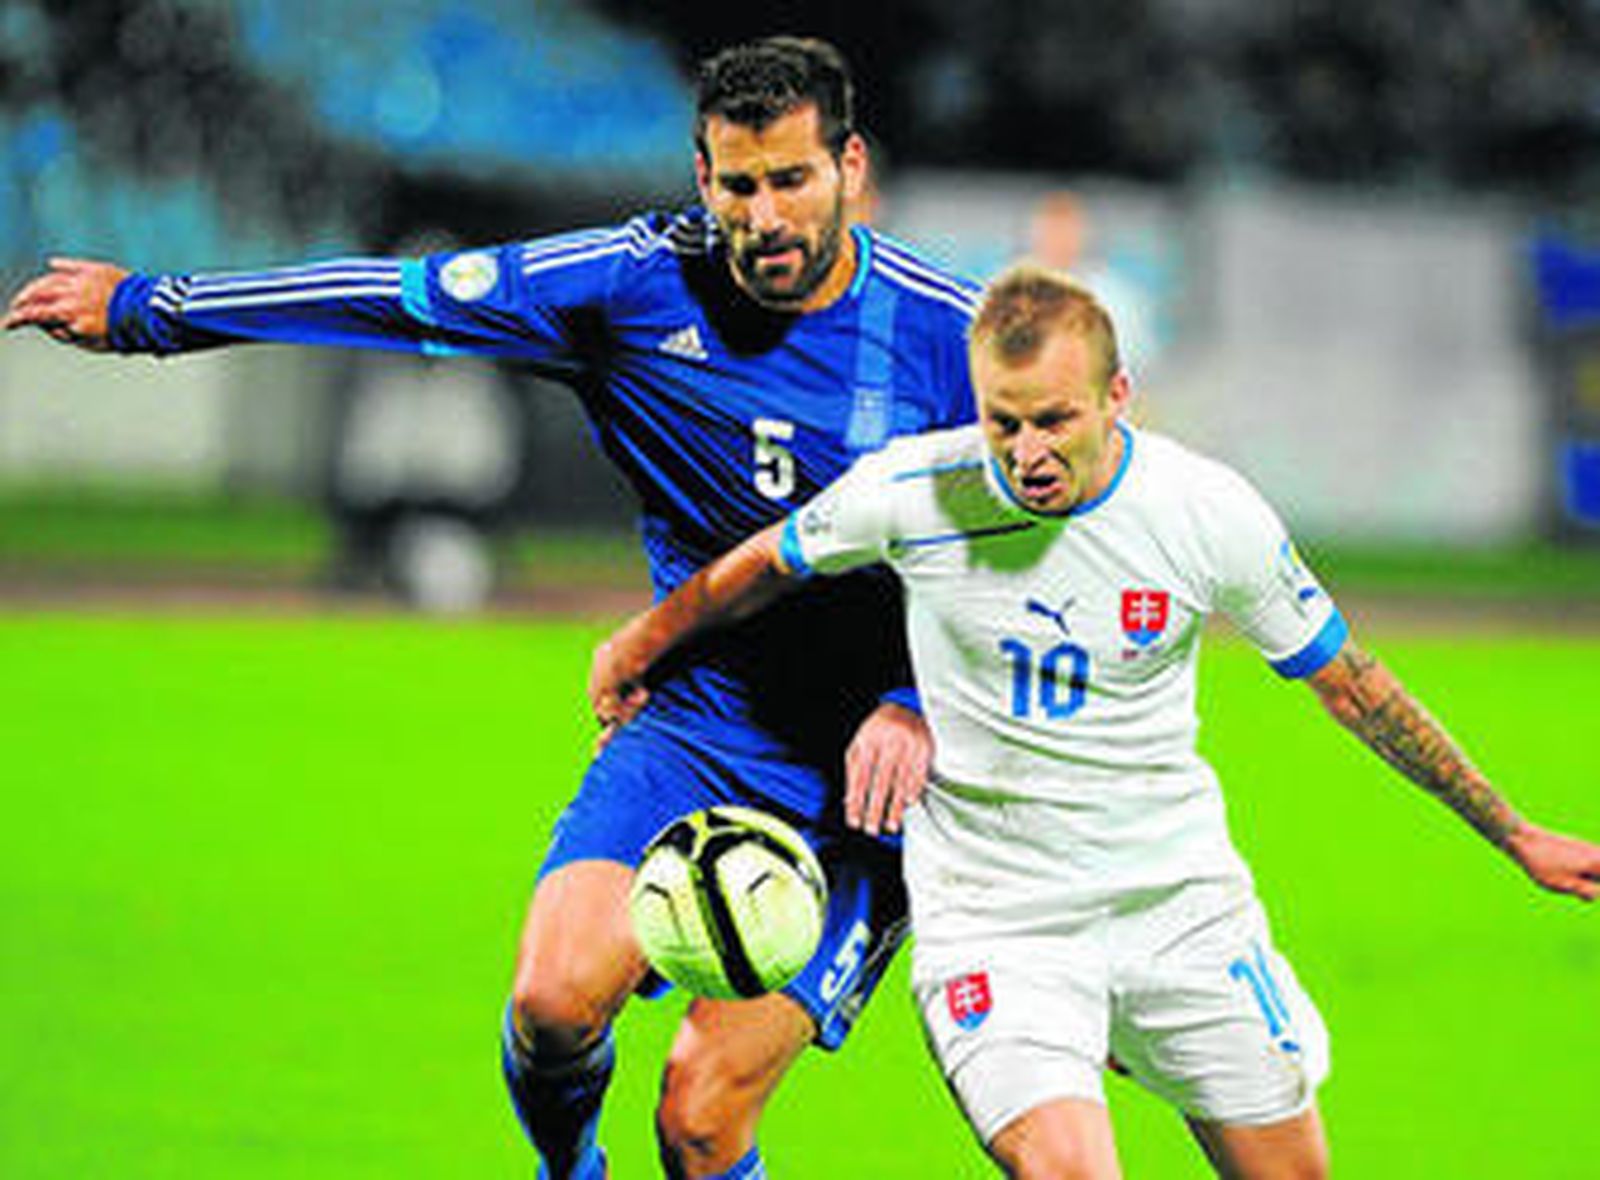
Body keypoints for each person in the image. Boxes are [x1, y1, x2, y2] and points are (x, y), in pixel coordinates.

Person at [3, 37, 982, 1180]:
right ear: (701, 178)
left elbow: (1044, 553)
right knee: (550, 1007)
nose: (763, 216)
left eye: (791, 180)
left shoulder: (951, 335)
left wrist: (916, 700)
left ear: (850, 168)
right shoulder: (626, 286)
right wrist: (152, 309)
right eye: (736, 185)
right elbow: (394, 298)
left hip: (873, 775)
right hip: (699, 725)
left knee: (700, 1117)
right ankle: (569, 1170)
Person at [588, 265, 1600, 1178]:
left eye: (1054, 422)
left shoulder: (1206, 513)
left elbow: (1354, 687)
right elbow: (767, 559)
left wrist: (1512, 833)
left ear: (1118, 397)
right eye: (1003, 423)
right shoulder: (915, 489)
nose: (1025, 453)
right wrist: (643, 642)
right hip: (998, 916)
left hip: (1178, 904)